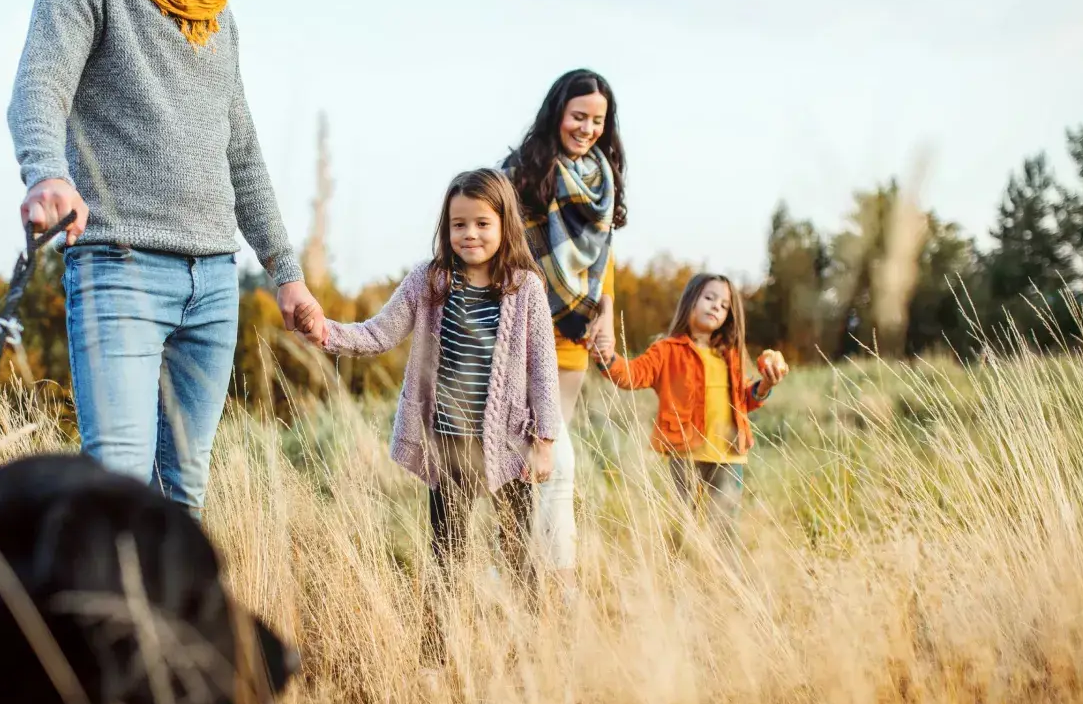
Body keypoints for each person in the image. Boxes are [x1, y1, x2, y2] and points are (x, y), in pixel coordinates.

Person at [4, 0, 325, 704]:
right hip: (120, 271)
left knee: (181, 498)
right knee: (117, 495)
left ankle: (159, 696)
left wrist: (286, 274)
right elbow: (39, 88)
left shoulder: (218, 21)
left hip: (211, 289)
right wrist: (44, 174)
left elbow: (244, 155)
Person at [317, 169, 561, 661]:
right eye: (458, 225)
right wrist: (324, 332)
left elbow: (543, 371)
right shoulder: (428, 283)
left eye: (481, 224)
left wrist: (546, 439)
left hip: (509, 449)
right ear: (446, 229)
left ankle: (528, 657)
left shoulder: (525, 289)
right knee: (446, 556)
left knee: (518, 556)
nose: (469, 234)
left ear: (504, 225)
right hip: (447, 448)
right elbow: (379, 333)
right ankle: (435, 658)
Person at [499, 69, 625, 595]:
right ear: (557, 113)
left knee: (536, 461)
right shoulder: (520, 172)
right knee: (556, 458)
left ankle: (516, 580)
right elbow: (497, 247)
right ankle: (560, 584)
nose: (587, 128)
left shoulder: (603, 178)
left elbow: (604, 258)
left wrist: (607, 314)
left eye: (598, 120)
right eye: (579, 116)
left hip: (574, 337)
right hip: (527, 333)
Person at [589, 273, 788, 551]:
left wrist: (766, 384)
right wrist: (607, 359)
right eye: (709, 297)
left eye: (724, 304)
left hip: (730, 454)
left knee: (724, 527)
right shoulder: (667, 350)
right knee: (684, 523)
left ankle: (727, 586)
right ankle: (679, 582)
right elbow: (632, 375)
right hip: (686, 454)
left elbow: (744, 398)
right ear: (690, 301)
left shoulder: (729, 354)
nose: (716, 306)